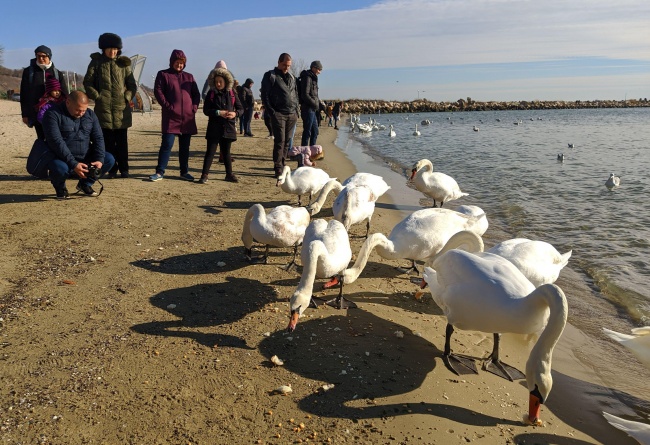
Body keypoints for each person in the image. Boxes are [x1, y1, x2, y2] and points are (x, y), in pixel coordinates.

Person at [42, 91, 115, 199]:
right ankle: (60, 187)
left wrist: (99, 160)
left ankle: (85, 184)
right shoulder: (52, 114)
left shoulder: (90, 115)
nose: (81, 113)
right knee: (59, 168)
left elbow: (98, 138)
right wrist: (74, 164)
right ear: (68, 102)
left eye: (84, 110)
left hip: (85, 155)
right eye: (78, 110)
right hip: (62, 158)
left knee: (108, 159)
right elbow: (56, 141)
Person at [83, 33, 137, 178]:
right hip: (103, 109)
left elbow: (132, 85)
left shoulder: (124, 64)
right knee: (107, 143)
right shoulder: (96, 62)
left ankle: (124, 169)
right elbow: (87, 82)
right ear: (103, 49)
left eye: (115, 49)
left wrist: (126, 97)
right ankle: (112, 169)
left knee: (122, 142)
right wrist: (98, 97)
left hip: (121, 110)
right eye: (109, 49)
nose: (113, 52)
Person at [149, 49, 200, 182]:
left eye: (182, 63)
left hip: (187, 118)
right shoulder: (163, 74)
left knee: (185, 147)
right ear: (172, 62)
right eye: (177, 62)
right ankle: (160, 172)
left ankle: (184, 172)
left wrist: (194, 107)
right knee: (167, 144)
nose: (179, 65)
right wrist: (168, 107)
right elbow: (158, 91)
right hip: (171, 117)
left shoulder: (189, 77)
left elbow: (196, 94)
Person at [200, 67, 243, 184]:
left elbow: (240, 109)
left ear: (226, 81)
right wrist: (218, 113)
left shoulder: (232, 93)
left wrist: (235, 114)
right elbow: (206, 110)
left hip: (228, 127)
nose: (218, 84)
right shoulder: (211, 93)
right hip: (214, 128)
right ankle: (204, 175)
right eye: (216, 81)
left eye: (220, 81)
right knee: (210, 152)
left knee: (226, 153)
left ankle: (229, 174)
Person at [260, 53, 299, 179]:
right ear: (279, 62)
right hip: (278, 113)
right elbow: (265, 95)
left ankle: (283, 163)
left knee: (287, 141)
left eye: (288, 66)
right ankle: (278, 167)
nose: (286, 68)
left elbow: (296, 94)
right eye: (284, 65)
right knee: (279, 141)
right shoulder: (270, 75)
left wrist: (297, 111)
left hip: (292, 113)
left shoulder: (292, 77)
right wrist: (272, 112)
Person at [20, 45, 69, 140]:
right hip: (36, 113)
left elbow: (65, 94)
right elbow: (24, 94)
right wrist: (25, 114)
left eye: (44, 56)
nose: (41, 58)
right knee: (41, 139)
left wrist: (66, 112)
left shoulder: (57, 73)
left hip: (55, 112)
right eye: (38, 56)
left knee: (54, 138)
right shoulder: (28, 72)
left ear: (49, 56)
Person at [299, 60, 322, 146]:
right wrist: (315, 104)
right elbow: (305, 95)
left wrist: (318, 104)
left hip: (312, 109)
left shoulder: (313, 78)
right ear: (313, 68)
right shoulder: (307, 77)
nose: (320, 72)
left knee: (315, 131)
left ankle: (312, 152)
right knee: (307, 131)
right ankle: (304, 152)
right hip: (307, 109)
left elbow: (314, 95)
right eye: (319, 69)